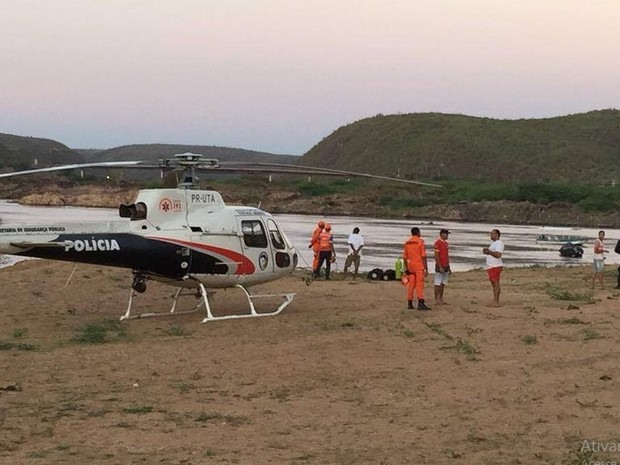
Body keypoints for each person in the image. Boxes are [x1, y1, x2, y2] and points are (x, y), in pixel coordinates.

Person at [403, 227, 431, 310]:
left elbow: (405, 258)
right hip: (419, 266)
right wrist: (426, 268)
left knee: (411, 285)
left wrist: (406, 268)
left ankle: (410, 302)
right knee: (420, 285)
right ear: (418, 233)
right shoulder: (420, 242)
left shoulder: (407, 243)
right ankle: (420, 302)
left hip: (411, 266)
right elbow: (423, 256)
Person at [483, 229, 504, 307]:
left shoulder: (499, 243)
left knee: (495, 284)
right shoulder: (494, 243)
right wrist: (487, 251)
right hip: (492, 266)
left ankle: (496, 302)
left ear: (497, 235)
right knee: (494, 284)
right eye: (491, 234)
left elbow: (498, 255)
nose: (491, 235)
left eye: (493, 234)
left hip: (495, 266)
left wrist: (489, 252)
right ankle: (495, 300)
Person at [433, 229, 451, 305]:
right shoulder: (438, 243)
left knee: (443, 283)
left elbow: (447, 256)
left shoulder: (446, 243)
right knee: (437, 283)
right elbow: (436, 256)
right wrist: (440, 266)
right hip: (440, 266)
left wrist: (449, 267)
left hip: (446, 265)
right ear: (442, 234)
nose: (447, 236)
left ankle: (441, 298)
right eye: (446, 234)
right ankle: (436, 299)